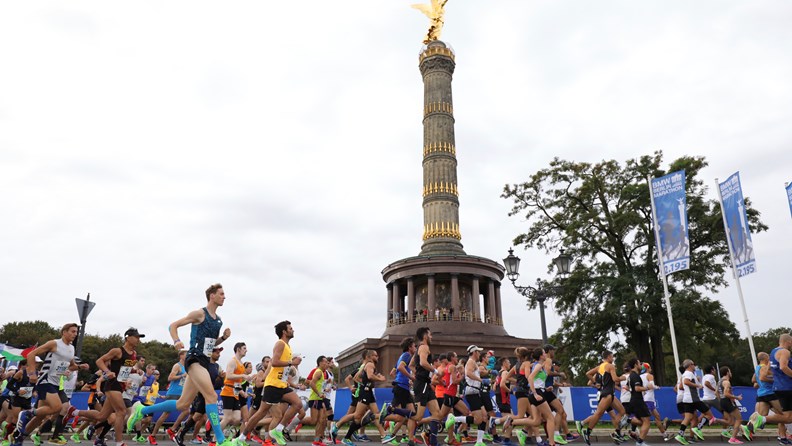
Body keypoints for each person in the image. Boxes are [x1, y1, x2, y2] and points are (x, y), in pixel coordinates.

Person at [126, 283, 233, 446]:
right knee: (211, 396)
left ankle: (142, 410)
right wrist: (176, 340)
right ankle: (220, 440)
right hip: (194, 358)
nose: (224, 297)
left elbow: (209, 345)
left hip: (204, 361)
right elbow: (173, 325)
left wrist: (223, 339)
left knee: (182, 403)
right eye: (221, 293)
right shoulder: (199, 314)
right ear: (212, 296)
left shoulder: (218, 321)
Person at [12, 323, 90, 446]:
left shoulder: (71, 349)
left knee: (39, 417)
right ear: (64, 332)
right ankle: (27, 413)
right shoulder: (54, 343)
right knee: (57, 408)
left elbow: (71, 365)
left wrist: (80, 366)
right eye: (72, 331)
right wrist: (32, 373)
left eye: (76, 332)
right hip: (45, 380)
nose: (75, 334)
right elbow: (31, 355)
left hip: (56, 383)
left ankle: (19, 438)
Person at [238, 321, 302, 446]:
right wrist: (290, 363)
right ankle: (241, 437)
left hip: (282, 384)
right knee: (261, 413)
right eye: (290, 328)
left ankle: (278, 430)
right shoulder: (280, 344)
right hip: (273, 384)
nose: (293, 330)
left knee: (298, 404)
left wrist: (289, 369)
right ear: (284, 331)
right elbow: (275, 362)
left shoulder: (288, 346)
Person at [747, 334, 792, 437]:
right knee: (788, 417)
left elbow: (768, 372)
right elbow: (783, 367)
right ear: (788, 341)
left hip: (778, 388)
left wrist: (775, 377)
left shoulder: (773, 352)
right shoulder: (785, 352)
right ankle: (762, 419)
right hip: (786, 387)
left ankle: (762, 420)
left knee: (787, 417)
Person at [749, 352, 789, 443]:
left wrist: (760, 384)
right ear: (766, 358)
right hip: (770, 393)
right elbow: (763, 378)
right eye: (768, 357)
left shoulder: (758, 368)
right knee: (783, 415)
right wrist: (775, 381)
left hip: (762, 393)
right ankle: (782, 437)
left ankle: (747, 427)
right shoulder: (764, 367)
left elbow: (754, 380)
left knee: (762, 416)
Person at [717, 366, 744, 444]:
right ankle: (733, 438)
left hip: (722, 401)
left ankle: (715, 419)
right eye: (730, 371)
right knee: (739, 419)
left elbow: (716, 392)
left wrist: (721, 401)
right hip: (727, 401)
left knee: (730, 421)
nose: (731, 373)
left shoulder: (719, 381)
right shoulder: (726, 382)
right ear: (727, 373)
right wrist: (737, 397)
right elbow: (726, 393)